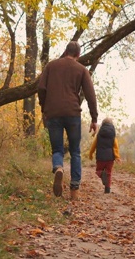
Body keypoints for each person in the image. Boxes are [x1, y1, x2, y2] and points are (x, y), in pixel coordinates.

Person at [38, 41, 98, 201]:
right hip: (72, 113)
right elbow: (91, 95)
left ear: (65, 52)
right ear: (78, 55)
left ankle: (58, 168)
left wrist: (44, 108)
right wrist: (94, 118)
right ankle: (74, 190)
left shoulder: (51, 66)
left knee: (57, 149)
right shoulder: (82, 70)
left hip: (53, 113)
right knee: (75, 152)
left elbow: (41, 88)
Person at [88, 117, 121, 193]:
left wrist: (91, 154)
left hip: (100, 158)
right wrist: (117, 157)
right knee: (108, 173)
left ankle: (102, 174)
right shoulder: (113, 136)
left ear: (102, 125)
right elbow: (115, 147)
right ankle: (107, 190)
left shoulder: (99, 136)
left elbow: (93, 145)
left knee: (98, 170)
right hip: (110, 158)